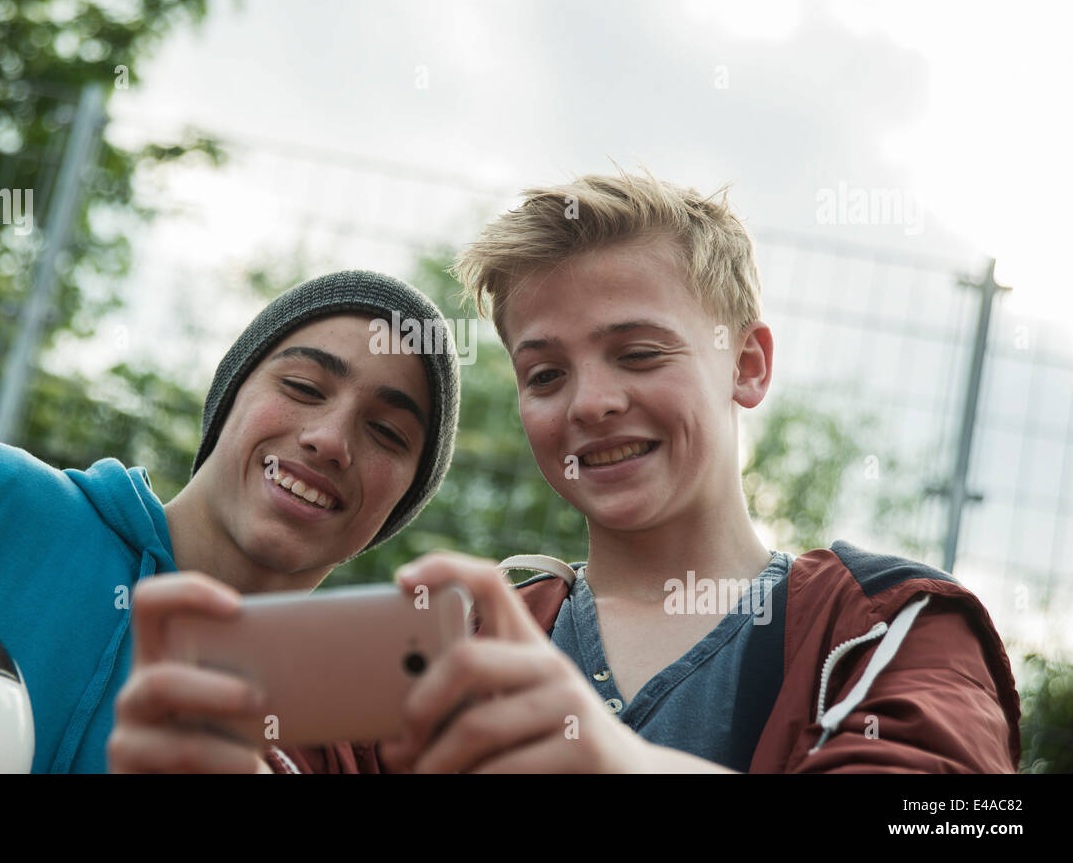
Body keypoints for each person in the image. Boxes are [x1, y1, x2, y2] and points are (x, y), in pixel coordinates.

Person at [265, 170, 1020, 773]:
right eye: (546, 373)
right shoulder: (454, 638)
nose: (591, 402)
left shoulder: (891, 627)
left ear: (748, 364)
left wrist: (614, 759)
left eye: (639, 353)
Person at [0, 270, 460, 773]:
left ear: (399, 502)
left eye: (388, 433)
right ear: (230, 398)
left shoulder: (324, 740)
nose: (332, 438)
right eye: (304, 387)